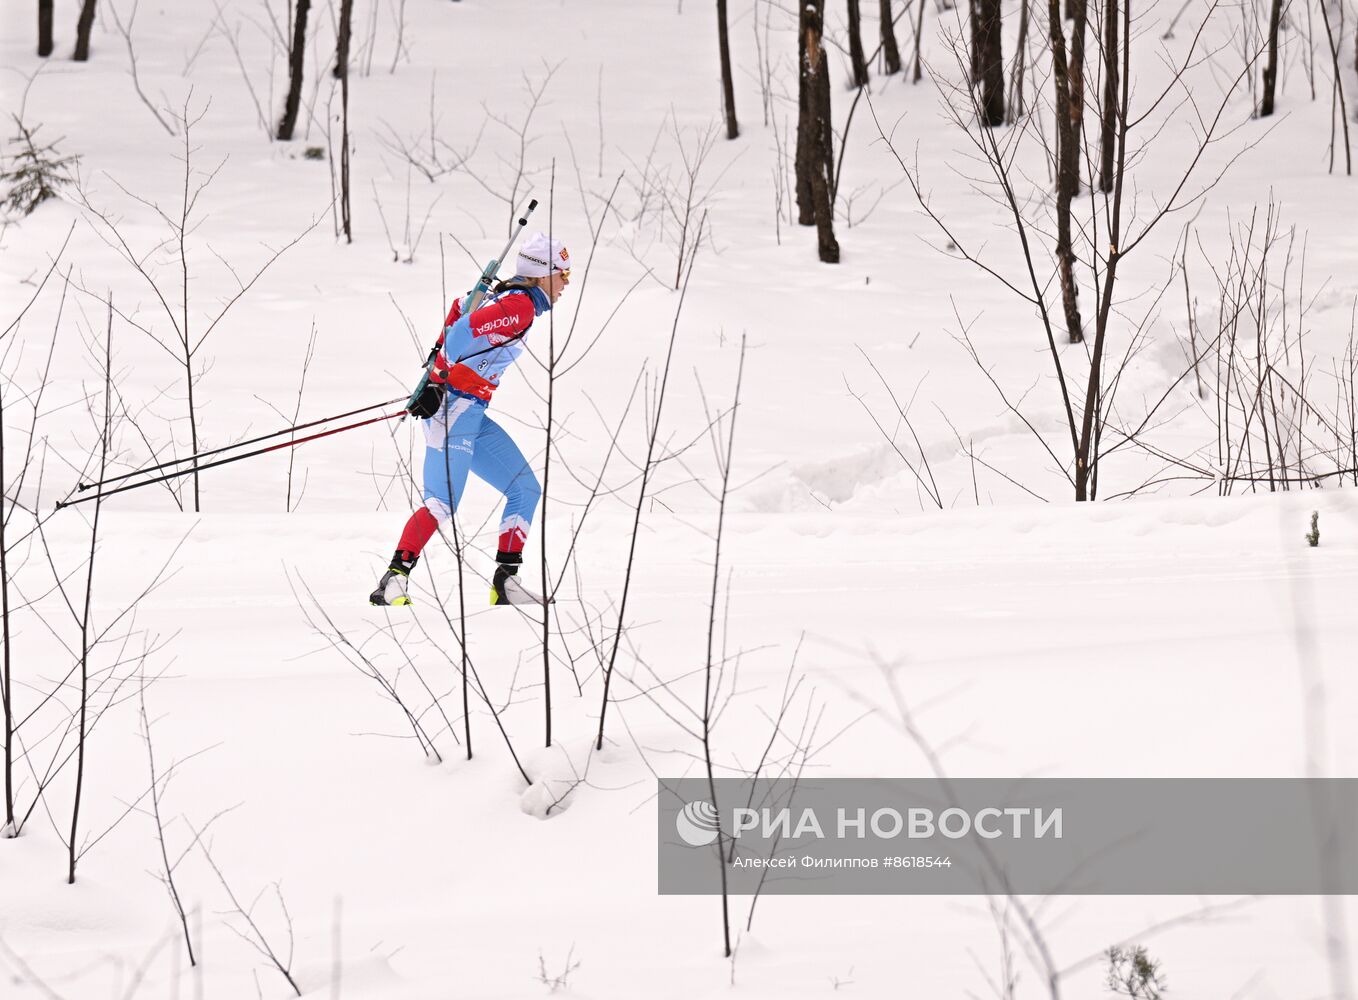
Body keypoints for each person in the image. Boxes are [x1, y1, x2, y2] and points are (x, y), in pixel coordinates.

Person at [370, 232, 571, 608]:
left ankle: (506, 582)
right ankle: (394, 580)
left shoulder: (507, 297)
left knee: (524, 489)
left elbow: (459, 307)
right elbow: (461, 331)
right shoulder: (521, 306)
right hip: (453, 408)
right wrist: (436, 377)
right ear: (543, 274)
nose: (565, 285)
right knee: (441, 503)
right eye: (564, 275)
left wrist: (436, 367)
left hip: (471, 411)